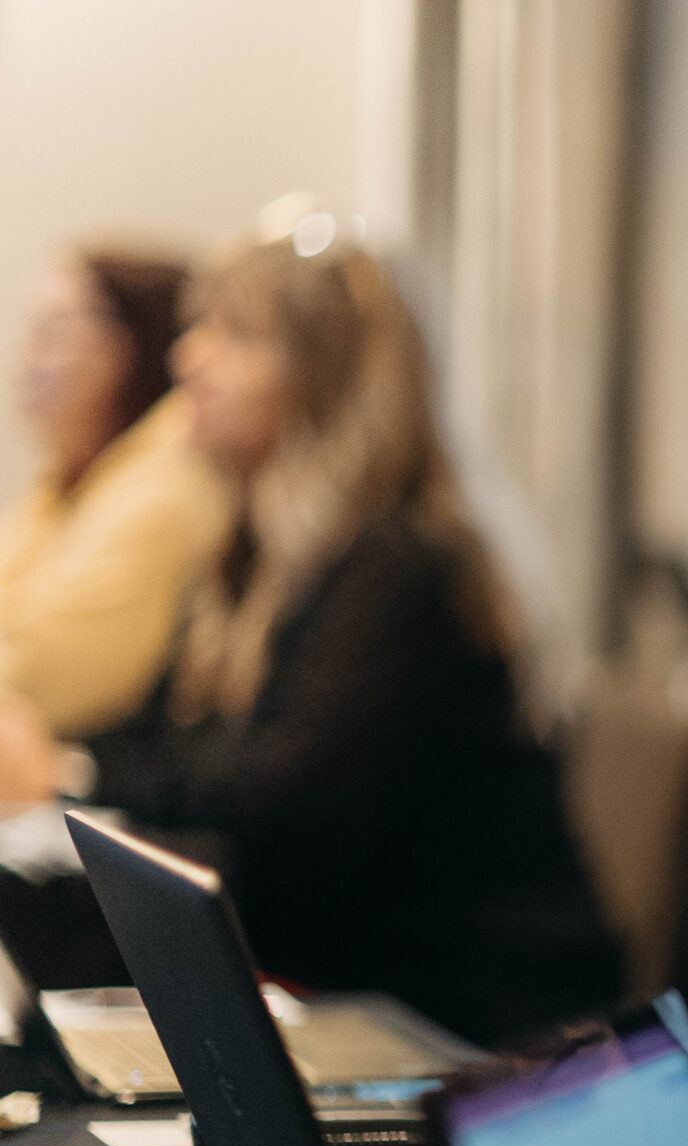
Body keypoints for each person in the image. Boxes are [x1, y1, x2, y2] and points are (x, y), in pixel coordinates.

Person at [0, 230, 619, 1045]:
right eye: (196, 330)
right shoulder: (250, 556)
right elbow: (167, 739)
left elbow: (281, 810)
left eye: (237, 336)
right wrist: (71, 766)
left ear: (332, 378)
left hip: (461, 1024)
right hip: (329, 972)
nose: (189, 361)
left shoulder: (398, 566)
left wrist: (67, 773)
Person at [0, 248, 232, 736]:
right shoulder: (70, 476)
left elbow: (47, 671)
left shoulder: (170, 485)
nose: (25, 359)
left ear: (127, 349)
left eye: (53, 332)